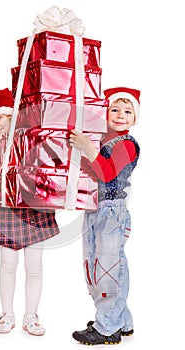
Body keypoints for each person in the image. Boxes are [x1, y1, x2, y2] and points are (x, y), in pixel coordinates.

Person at [0, 88, 60, 336]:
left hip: (34, 207)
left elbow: (50, 164)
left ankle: (31, 316)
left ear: (11, 114)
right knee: (7, 263)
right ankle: (7, 314)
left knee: (34, 265)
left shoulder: (31, 138)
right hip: (6, 209)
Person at [69, 87, 140, 345]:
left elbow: (107, 173)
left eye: (127, 111)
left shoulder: (126, 144)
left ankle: (108, 327)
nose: (121, 115)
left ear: (135, 118)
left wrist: (88, 148)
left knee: (110, 267)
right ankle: (121, 321)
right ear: (105, 112)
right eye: (115, 109)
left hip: (112, 212)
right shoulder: (100, 140)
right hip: (94, 209)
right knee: (96, 266)